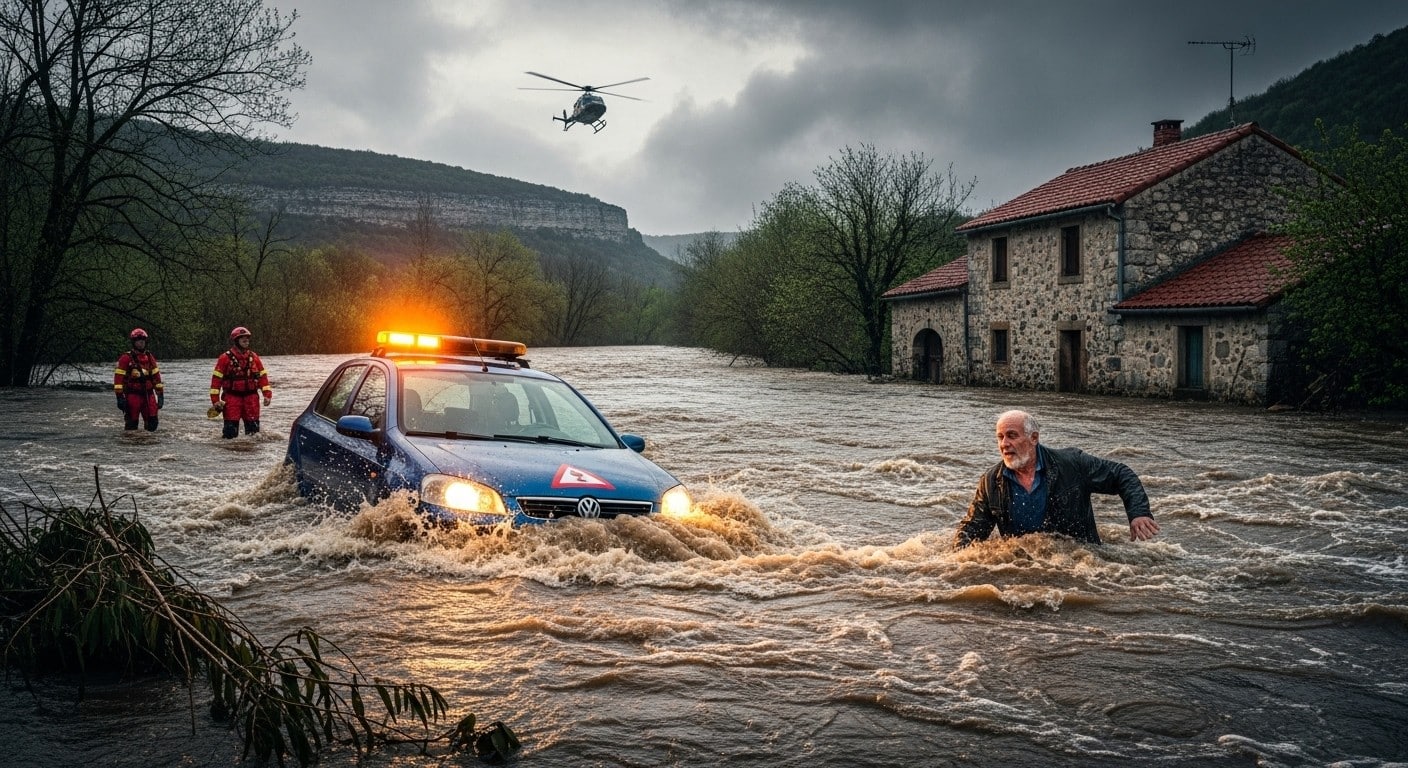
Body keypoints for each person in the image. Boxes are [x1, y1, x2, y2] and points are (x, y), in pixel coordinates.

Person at [954, 409, 1159, 548]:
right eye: (1000, 437)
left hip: (1081, 561)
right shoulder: (991, 482)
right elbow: (973, 529)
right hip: (1025, 565)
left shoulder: (1072, 464)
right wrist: (952, 564)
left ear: (1034, 438)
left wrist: (1138, 513)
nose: (1004, 444)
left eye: (1012, 435)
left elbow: (1122, 474)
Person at [209, 326, 272, 439]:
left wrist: (267, 395)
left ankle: (250, 456)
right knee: (230, 435)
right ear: (236, 341)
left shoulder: (254, 357)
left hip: (251, 398)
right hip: (232, 399)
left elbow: (263, 377)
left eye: (247, 338)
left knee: (255, 435)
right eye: (242, 338)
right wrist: (215, 400)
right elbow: (216, 381)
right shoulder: (224, 358)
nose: (246, 340)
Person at [114, 328, 164, 431]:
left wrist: (160, 395)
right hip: (133, 395)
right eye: (138, 339)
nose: (141, 342)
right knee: (132, 425)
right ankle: (132, 445)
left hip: (148, 395)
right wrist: (119, 397)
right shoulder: (126, 358)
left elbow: (156, 378)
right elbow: (118, 379)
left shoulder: (150, 357)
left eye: (143, 339)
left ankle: (149, 445)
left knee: (152, 424)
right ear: (133, 342)